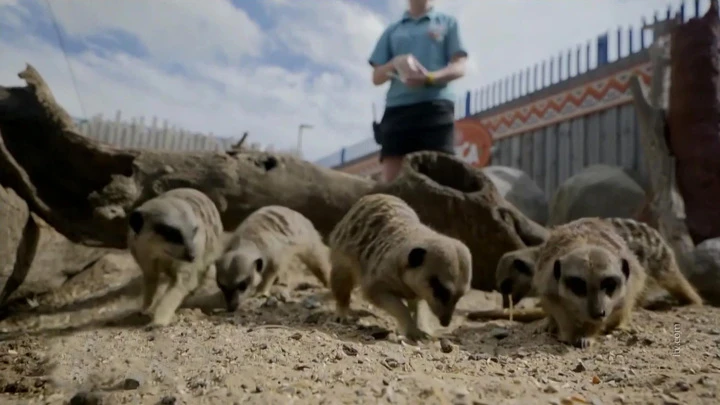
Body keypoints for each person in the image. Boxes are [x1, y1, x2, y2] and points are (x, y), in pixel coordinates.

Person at [369, 0, 468, 182]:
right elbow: (376, 77)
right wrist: (395, 63)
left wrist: (429, 78)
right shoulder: (393, 30)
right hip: (397, 111)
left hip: (436, 108)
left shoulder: (447, 22)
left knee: (440, 180)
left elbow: (460, 66)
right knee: (392, 184)